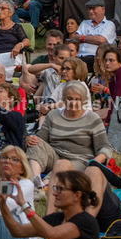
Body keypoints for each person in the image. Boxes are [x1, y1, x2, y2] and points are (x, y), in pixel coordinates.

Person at [0, 170, 104, 239]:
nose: (54, 193)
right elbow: (17, 231)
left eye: (61, 189)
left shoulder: (86, 221)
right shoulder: (55, 219)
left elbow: (51, 234)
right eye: (55, 188)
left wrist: (24, 205)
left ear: (77, 195)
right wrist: (2, 205)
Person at [25, 82, 110, 212]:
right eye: (70, 99)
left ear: (83, 101)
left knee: (65, 168)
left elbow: (105, 147)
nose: (73, 103)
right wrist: (30, 139)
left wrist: (96, 161)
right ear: (64, 100)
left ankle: (46, 185)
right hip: (55, 154)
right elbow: (42, 138)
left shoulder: (93, 119)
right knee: (36, 142)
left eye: (77, 99)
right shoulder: (53, 115)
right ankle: (36, 181)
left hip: (78, 159)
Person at [74, 0, 116, 65]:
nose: (90, 11)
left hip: (97, 59)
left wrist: (83, 38)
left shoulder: (109, 25)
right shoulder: (84, 23)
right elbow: (75, 37)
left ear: (103, 9)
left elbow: (101, 40)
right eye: (89, 9)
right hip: (80, 57)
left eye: (93, 8)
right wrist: (94, 38)